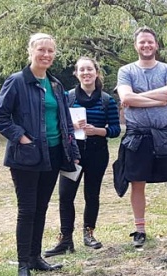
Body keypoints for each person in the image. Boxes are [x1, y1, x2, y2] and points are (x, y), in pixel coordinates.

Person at [0, 33, 81, 276]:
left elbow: (64, 120)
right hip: (27, 156)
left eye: (50, 51)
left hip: (53, 154)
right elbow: (0, 117)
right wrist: (22, 138)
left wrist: (72, 149)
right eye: (41, 49)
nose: (46, 55)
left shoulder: (55, 84)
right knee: (27, 209)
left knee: (41, 207)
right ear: (30, 51)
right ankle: (23, 265)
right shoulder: (17, 81)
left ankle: (35, 258)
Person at [116, 27, 167, 248]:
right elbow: (126, 97)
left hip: (164, 133)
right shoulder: (126, 71)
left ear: (156, 45)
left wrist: (136, 97)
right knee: (137, 182)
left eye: (150, 42)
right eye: (142, 42)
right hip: (137, 135)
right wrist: (157, 101)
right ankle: (139, 229)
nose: (146, 45)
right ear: (135, 46)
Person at [44, 57, 122, 256]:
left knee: (92, 194)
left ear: (96, 72)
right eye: (82, 70)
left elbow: (115, 129)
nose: (86, 73)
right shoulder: (67, 97)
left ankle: (89, 233)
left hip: (97, 153)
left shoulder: (107, 100)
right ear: (76, 74)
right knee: (65, 195)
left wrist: (98, 131)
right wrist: (72, 126)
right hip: (72, 153)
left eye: (89, 69)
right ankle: (65, 239)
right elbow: (57, 122)